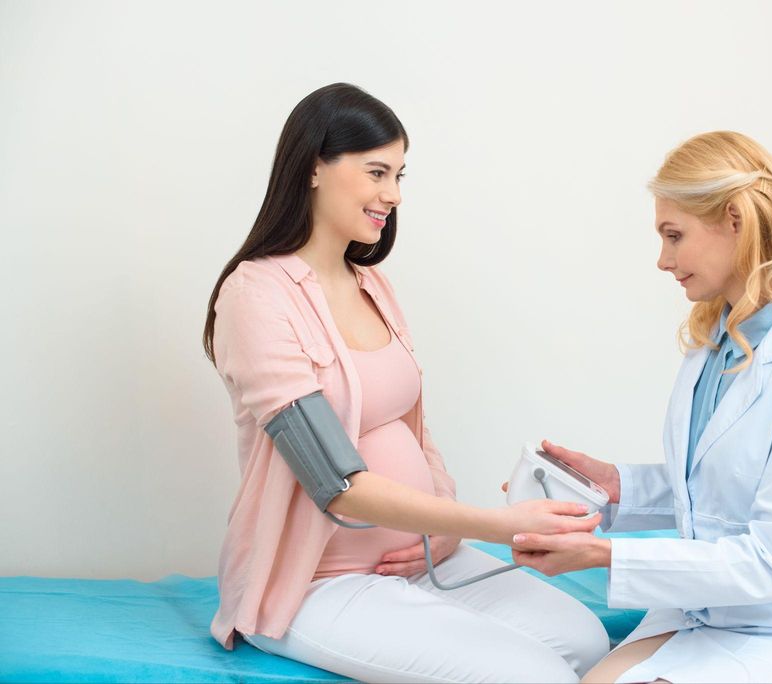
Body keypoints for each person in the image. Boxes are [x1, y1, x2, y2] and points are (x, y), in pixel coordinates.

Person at [200, 83, 609, 683]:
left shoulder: (372, 284)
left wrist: (440, 531)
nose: (392, 195)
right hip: (322, 583)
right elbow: (334, 482)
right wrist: (496, 524)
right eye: (376, 172)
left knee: (586, 641)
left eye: (399, 175)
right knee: (533, 674)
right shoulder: (255, 295)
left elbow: (414, 430)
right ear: (314, 168)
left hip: (420, 557)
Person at [509, 131, 772, 683]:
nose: (663, 259)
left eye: (675, 236)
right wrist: (614, 486)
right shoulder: (717, 341)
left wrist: (605, 557)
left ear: (735, 222)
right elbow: (719, 489)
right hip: (707, 609)